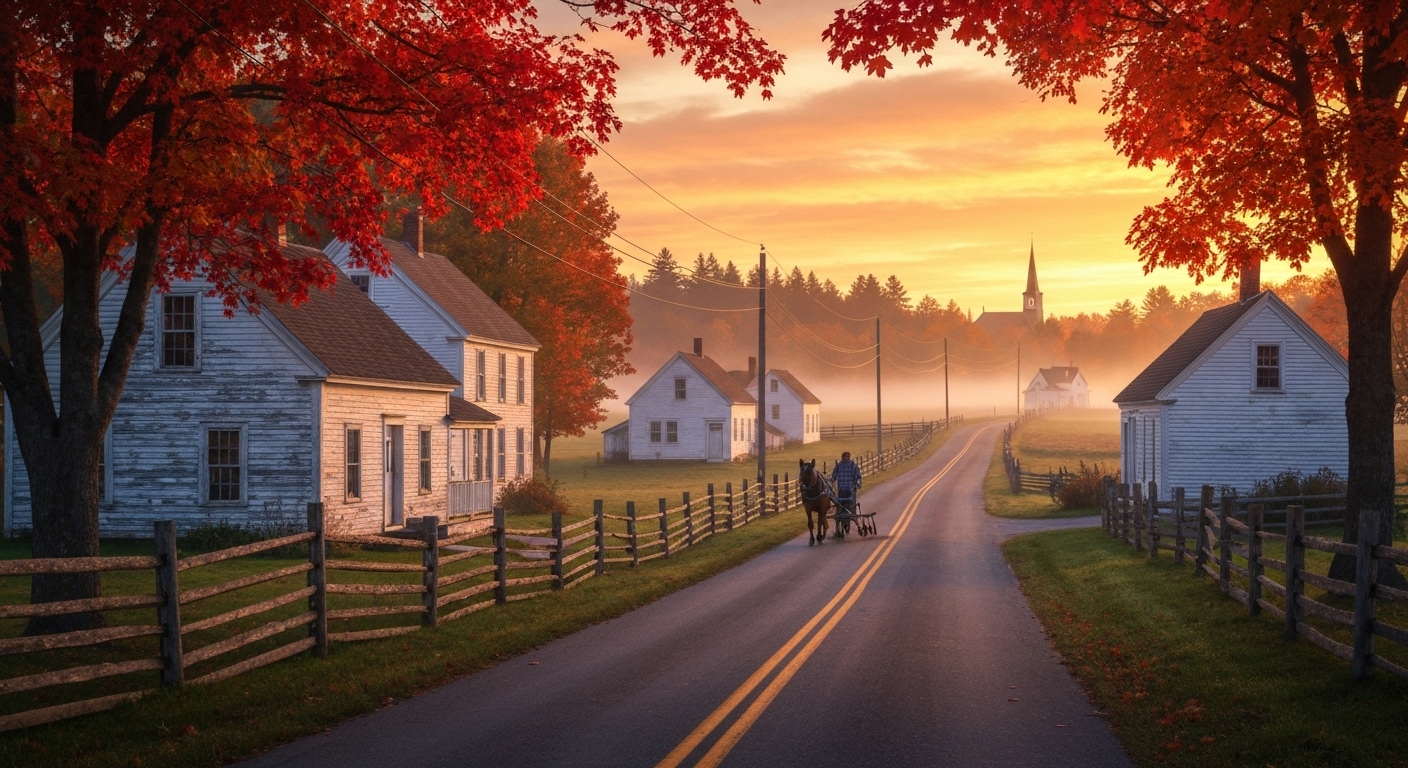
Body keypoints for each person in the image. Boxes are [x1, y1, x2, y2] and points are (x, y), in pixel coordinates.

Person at [830, 451, 862, 536]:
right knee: (840, 507)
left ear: (849, 457)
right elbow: (833, 477)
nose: (846, 459)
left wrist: (858, 484)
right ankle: (839, 527)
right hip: (841, 491)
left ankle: (855, 521)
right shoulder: (838, 466)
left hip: (850, 490)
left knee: (851, 507)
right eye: (844, 457)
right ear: (842, 457)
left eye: (847, 457)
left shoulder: (853, 466)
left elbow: (858, 476)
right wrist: (829, 482)